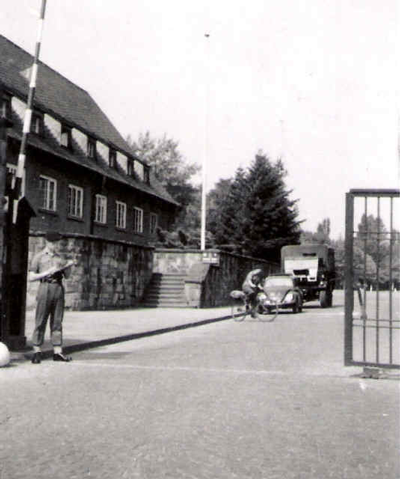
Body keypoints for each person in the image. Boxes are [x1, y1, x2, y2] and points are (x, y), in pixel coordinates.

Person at [29, 231, 75, 364]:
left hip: (58, 288)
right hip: (45, 287)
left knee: (57, 321)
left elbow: (67, 276)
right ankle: (37, 350)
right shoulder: (39, 257)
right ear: (47, 242)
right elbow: (31, 277)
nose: (56, 245)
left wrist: (67, 266)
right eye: (54, 243)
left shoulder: (60, 257)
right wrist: (48, 272)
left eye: (57, 243)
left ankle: (57, 352)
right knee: (40, 319)